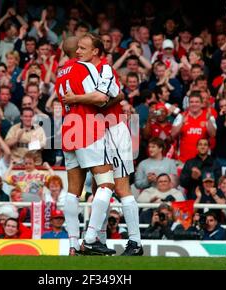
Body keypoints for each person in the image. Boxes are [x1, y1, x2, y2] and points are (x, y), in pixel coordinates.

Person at [62, 34, 142, 256]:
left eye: (83, 48)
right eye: (77, 48)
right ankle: (99, 239)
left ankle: (135, 242)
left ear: (94, 51)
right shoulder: (86, 71)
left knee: (120, 187)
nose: (79, 52)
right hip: (97, 132)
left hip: (114, 129)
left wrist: (76, 99)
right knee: (99, 187)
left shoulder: (105, 69)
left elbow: (107, 98)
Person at [171, 91, 216, 164]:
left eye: (197, 102)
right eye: (191, 102)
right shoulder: (181, 116)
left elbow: (213, 134)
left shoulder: (209, 116)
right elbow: (173, 135)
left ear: (201, 104)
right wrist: (182, 123)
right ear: (188, 104)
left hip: (203, 161)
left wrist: (208, 120)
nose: (194, 104)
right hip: (183, 160)